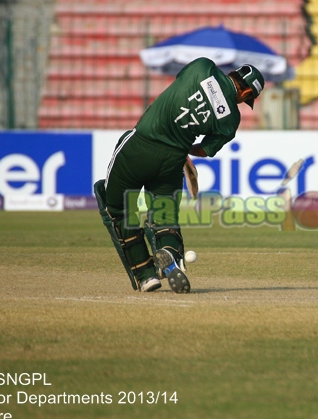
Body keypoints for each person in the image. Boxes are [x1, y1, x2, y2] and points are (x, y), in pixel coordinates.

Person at [95, 58, 265, 292]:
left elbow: (178, 90)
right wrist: (186, 149)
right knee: (164, 216)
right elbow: (205, 150)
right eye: (246, 99)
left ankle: (146, 275)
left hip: (140, 147)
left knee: (120, 209)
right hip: (171, 161)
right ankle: (168, 252)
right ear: (246, 90)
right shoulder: (231, 120)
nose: (243, 102)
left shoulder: (202, 67)